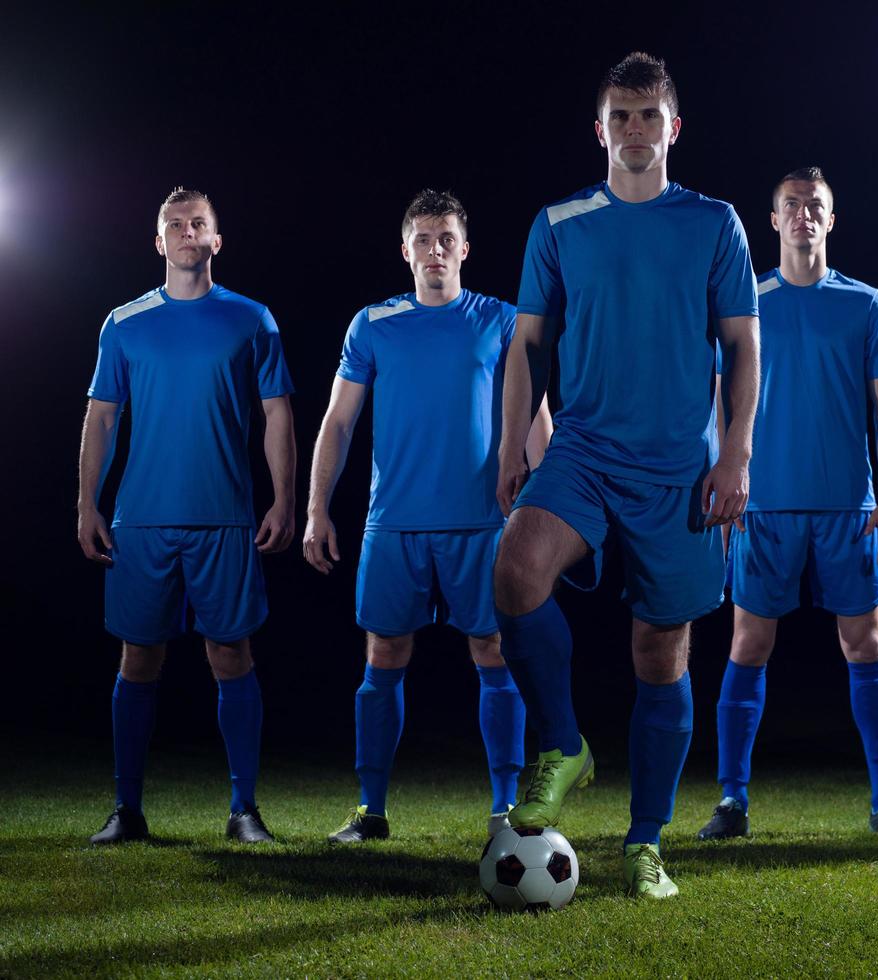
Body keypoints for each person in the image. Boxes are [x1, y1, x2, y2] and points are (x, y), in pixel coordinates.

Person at [493, 52, 760, 898]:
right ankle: (564, 746)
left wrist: (736, 453)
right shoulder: (560, 222)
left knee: (661, 651)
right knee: (513, 569)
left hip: (680, 466)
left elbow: (744, 346)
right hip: (582, 450)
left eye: (649, 116)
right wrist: (510, 446)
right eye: (621, 116)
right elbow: (528, 344)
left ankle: (644, 842)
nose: (635, 130)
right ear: (599, 128)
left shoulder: (715, 223)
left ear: (672, 127)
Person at [303, 190, 552, 843]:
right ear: (405, 248)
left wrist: (546, 512)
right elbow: (338, 421)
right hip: (395, 521)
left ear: (464, 249)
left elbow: (532, 417)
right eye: (423, 238)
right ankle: (370, 810)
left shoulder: (499, 319)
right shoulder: (373, 323)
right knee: (382, 653)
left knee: (492, 651)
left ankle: (504, 811)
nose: (435, 250)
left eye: (446, 239)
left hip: (481, 521)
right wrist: (315, 509)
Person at [696, 166, 878, 842]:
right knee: (748, 641)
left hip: (847, 507)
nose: (802, 215)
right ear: (773, 221)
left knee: (864, 643)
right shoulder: (746, 302)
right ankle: (732, 801)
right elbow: (718, 401)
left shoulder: (864, 304)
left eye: (814, 206)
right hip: (761, 505)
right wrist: (722, 482)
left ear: (830, 218)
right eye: (790, 205)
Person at [78, 187, 296, 845]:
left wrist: (284, 498)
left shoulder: (252, 319)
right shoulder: (124, 322)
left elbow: (277, 413)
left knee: (231, 654)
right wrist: (87, 501)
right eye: (174, 224)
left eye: (197, 223)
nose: (185, 231)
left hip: (224, 518)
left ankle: (244, 810)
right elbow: (102, 416)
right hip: (141, 519)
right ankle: (126, 811)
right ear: (157, 242)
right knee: (137, 658)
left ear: (216, 240)